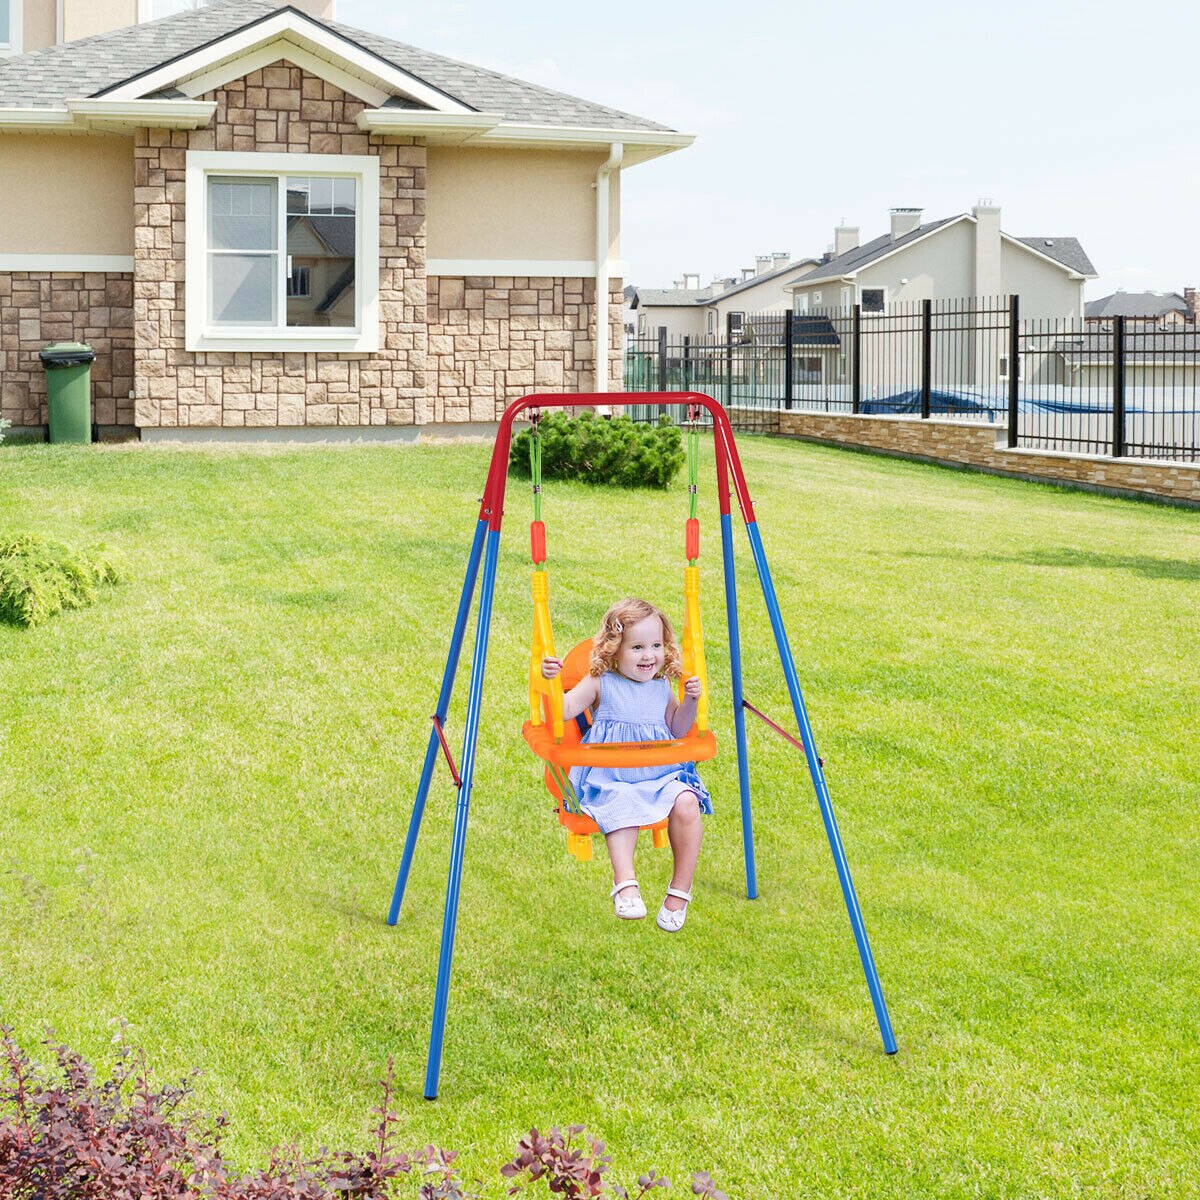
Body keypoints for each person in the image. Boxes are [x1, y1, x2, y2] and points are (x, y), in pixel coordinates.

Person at [541, 597, 712, 932]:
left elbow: (677, 728)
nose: (648, 655)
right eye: (637, 647)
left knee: (689, 803)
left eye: (656, 645)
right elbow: (562, 712)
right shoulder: (599, 682)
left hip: (659, 775)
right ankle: (626, 885)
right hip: (613, 776)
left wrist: (691, 699)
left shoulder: (661, 687)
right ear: (614, 650)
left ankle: (679, 891)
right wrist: (547, 679)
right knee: (621, 804)